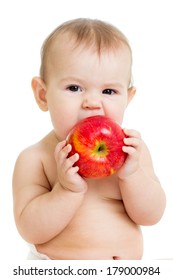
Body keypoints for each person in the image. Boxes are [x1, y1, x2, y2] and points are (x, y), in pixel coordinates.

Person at [12, 18, 166, 260]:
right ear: (43, 95)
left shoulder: (131, 153)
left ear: (128, 98)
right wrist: (65, 190)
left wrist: (132, 176)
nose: (92, 103)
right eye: (74, 88)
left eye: (108, 91)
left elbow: (152, 215)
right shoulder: (36, 159)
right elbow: (30, 229)